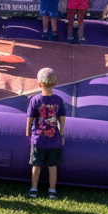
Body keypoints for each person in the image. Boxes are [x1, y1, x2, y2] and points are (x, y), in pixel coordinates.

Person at [26, 67, 66, 199]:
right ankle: (52, 190)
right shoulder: (58, 100)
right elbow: (62, 118)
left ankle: (33, 188)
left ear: (39, 83)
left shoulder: (35, 100)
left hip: (38, 139)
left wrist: (28, 132)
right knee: (52, 166)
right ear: (55, 83)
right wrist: (61, 133)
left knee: (36, 165)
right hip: (54, 140)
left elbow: (30, 118)